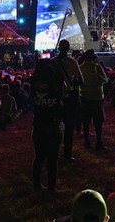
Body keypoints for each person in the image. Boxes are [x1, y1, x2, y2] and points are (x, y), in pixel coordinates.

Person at [31, 59, 66, 192]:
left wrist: (40, 65)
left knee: (39, 156)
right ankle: (51, 186)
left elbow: (34, 78)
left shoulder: (33, 87)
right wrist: (56, 65)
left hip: (38, 124)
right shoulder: (57, 89)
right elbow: (62, 82)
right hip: (53, 124)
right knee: (52, 158)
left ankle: (36, 184)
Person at [55, 39, 83, 161]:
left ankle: (54, 152)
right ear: (68, 49)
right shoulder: (72, 62)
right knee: (69, 126)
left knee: (55, 125)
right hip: (70, 97)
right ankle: (67, 154)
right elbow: (81, 80)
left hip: (56, 97)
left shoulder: (53, 62)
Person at [79, 49, 108, 150]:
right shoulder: (96, 67)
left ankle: (86, 141)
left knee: (86, 121)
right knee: (98, 122)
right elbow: (105, 79)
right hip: (96, 98)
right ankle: (99, 142)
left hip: (84, 97)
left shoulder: (80, 68)